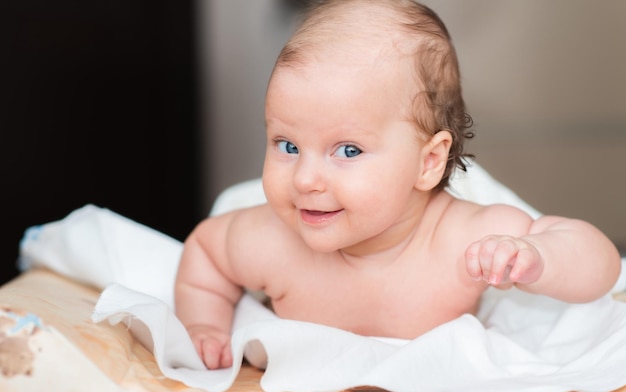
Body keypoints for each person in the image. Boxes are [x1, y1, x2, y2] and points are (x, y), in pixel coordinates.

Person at [174, 0, 622, 370]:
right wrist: (205, 325)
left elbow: (602, 269)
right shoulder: (270, 239)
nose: (305, 179)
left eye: (347, 151)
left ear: (428, 162)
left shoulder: (465, 240)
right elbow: (207, 254)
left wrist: (539, 257)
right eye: (287, 145)